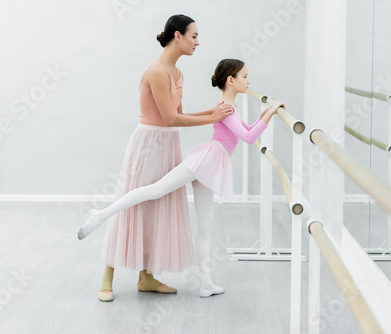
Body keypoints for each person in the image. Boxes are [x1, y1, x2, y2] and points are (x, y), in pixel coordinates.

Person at [79, 58, 284, 298]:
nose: (248, 81)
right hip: (206, 160)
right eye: (245, 76)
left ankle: (206, 283)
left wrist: (268, 112)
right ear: (231, 80)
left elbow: (244, 131)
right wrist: (270, 111)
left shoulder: (229, 107)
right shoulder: (226, 108)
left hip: (213, 164)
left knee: (206, 225)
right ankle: (101, 214)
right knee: (154, 190)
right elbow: (249, 137)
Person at [86, 15, 235, 302]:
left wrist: (215, 112)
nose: (197, 42)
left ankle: (147, 277)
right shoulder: (155, 71)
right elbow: (169, 118)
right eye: (194, 36)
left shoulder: (178, 74)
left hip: (169, 144)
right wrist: (211, 118)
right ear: (177, 36)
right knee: (131, 203)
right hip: (149, 143)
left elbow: (181, 116)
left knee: (158, 206)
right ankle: (107, 277)